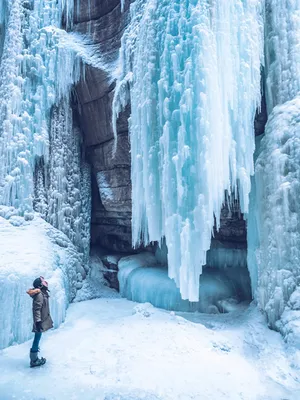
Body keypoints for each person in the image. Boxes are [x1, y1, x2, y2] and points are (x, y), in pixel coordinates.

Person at [26, 276, 53, 368]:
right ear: (40, 285)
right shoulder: (40, 295)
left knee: (37, 338)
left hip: (41, 320)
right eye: (43, 281)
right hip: (39, 321)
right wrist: (37, 322)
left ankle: (34, 358)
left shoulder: (42, 293)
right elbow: (36, 309)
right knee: (37, 338)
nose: (46, 282)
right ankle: (34, 360)